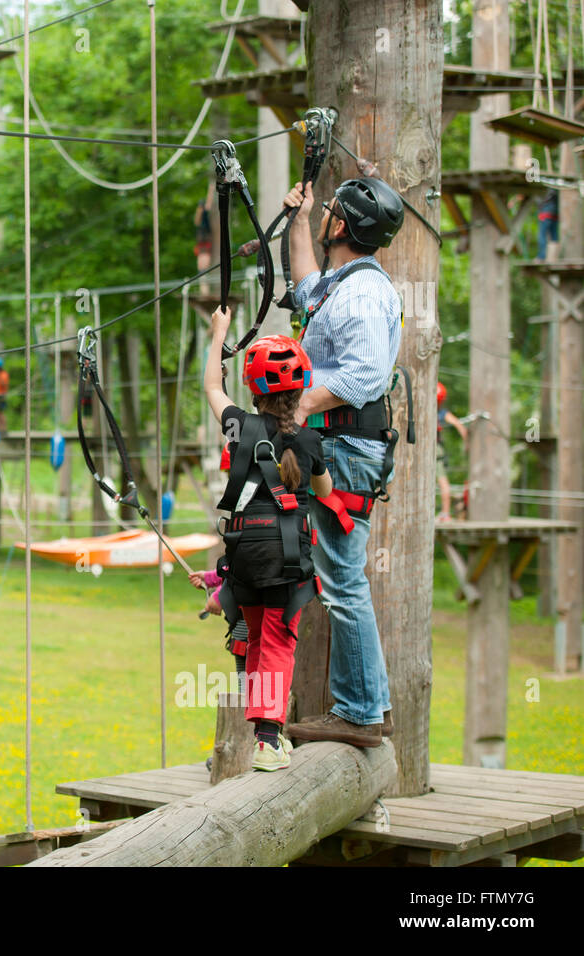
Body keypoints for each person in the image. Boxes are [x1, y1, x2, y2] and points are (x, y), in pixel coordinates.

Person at [277, 175, 406, 749]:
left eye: (330, 211)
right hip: (341, 447)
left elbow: (365, 375)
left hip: (347, 451)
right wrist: (300, 219)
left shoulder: (362, 293)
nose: (325, 214)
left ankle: (358, 711)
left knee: (343, 581)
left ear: (345, 225)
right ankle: (368, 703)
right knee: (337, 576)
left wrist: (296, 406)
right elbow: (306, 288)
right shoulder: (343, 283)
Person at [204, 316, 332, 771]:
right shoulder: (311, 440)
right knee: (278, 643)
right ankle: (267, 739)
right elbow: (324, 490)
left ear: (254, 391)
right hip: (285, 556)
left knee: (257, 639)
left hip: (243, 556)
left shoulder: (239, 428)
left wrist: (220, 333)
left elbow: (212, 389)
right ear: (302, 390)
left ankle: (264, 734)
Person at [436, 381, 468, 522]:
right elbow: (459, 425)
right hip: (437, 448)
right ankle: (444, 512)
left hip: (435, 450)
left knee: (442, 480)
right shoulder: (441, 412)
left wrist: (466, 443)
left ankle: (445, 513)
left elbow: (459, 425)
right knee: (441, 480)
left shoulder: (438, 413)